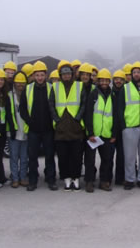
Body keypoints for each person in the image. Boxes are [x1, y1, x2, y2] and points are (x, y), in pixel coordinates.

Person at [113, 61, 140, 190]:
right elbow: (120, 109)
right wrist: (124, 125)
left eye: (138, 72)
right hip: (130, 127)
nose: (136, 74)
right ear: (131, 74)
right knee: (129, 156)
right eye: (134, 72)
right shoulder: (125, 88)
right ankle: (130, 179)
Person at [20, 61, 58, 191]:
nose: (40, 77)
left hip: (48, 129)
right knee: (32, 157)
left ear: (46, 75)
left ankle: (51, 180)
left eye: (42, 75)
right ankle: (32, 181)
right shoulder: (28, 88)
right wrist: (30, 121)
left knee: (49, 156)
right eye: (37, 75)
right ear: (34, 76)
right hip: (33, 130)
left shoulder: (52, 88)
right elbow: (23, 108)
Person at [49, 60, 87, 191]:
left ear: (72, 74)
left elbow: (83, 103)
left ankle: (76, 179)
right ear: (60, 75)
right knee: (63, 157)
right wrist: (56, 119)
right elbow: (51, 105)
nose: (66, 76)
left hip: (75, 127)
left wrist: (78, 117)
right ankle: (66, 179)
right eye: (63, 74)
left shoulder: (79, 86)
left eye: (68, 73)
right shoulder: (55, 87)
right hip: (60, 128)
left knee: (76, 157)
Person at [84, 69, 116, 192]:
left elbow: (116, 116)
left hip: (107, 134)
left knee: (107, 160)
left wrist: (114, 133)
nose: (104, 82)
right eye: (101, 80)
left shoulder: (112, 95)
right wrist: (90, 133)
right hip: (94, 134)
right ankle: (89, 182)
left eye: (106, 80)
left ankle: (104, 181)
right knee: (90, 160)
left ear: (109, 81)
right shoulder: (93, 94)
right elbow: (88, 114)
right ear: (98, 81)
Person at [7, 72, 29, 188]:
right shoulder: (10, 95)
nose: (20, 85)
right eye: (18, 83)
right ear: (14, 83)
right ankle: (15, 178)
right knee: (14, 157)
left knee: (24, 157)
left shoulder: (29, 94)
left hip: (25, 130)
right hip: (14, 131)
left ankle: (23, 177)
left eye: (22, 83)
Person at [112, 69, 127, 186]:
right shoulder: (109, 92)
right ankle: (107, 178)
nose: (118, 81)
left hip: (122, 128)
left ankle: (119, 178)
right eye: (116, 79)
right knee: (108, 156)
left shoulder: (127, 92)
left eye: (120, 79)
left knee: (122, 155)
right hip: (110, 128)